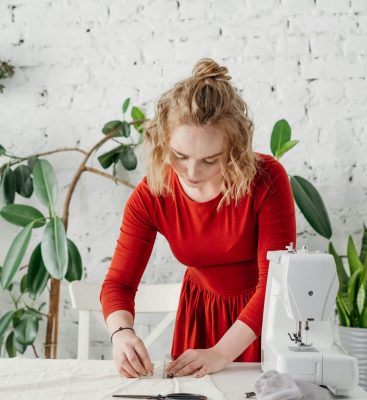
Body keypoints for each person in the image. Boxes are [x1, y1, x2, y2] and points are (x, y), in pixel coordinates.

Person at [100, 58, 296, 380]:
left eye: (210, 159)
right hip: (199, 317)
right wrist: (121, 333)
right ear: (163, 142)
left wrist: (222, 352)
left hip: (262, 319)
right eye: (180, 156)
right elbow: (118, 284)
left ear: (234, 148)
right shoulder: (152, 194)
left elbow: (274, 284)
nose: (192, 172)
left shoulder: (267, 179)